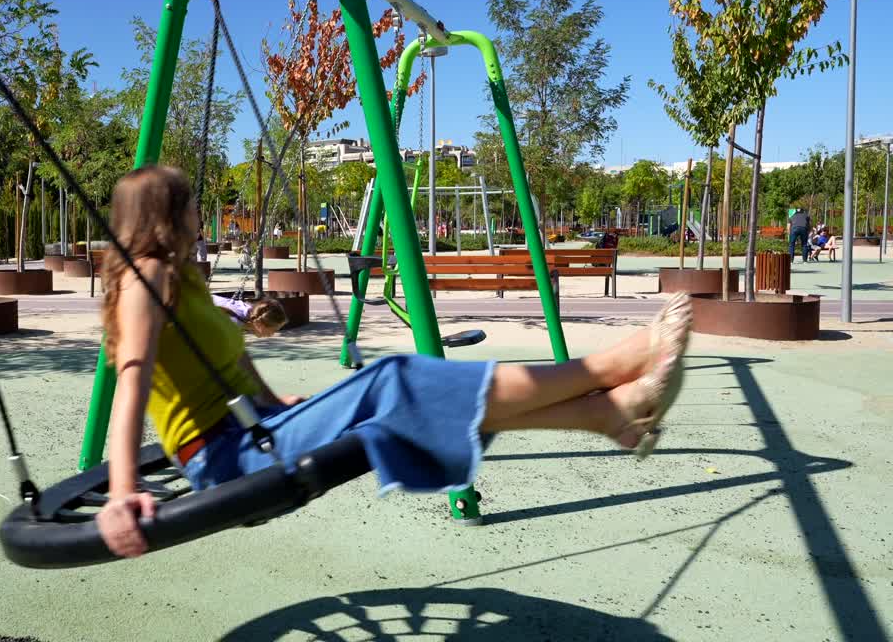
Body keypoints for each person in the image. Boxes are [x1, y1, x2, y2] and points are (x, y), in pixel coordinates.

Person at [96, 167, 692, 558]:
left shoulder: (184, 278)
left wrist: (276, 404)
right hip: (226, 458)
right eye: (194, 205)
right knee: (396, 379)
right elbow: (133, 381)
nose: (203, 214)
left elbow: (233, 365)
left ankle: (608, 415)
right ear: (167, 214)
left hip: (255, 429)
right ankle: (616, 365)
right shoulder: (145, 279)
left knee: (423, 397)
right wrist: (123, 488)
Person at [211, 295, 289, 337]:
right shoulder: (232, 324)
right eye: (273, 330)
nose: (272, 335)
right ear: (259, 324)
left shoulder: (251, 312)